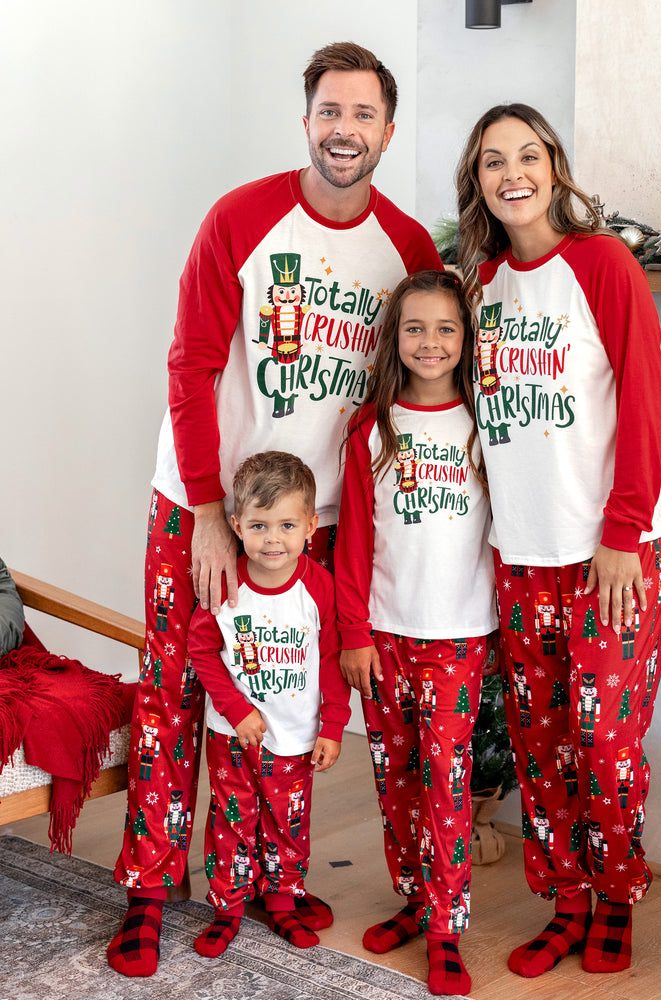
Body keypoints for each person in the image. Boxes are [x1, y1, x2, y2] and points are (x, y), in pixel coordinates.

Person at [106, 41, 442, 978]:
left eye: (364, 114)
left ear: (386, 129)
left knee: (284, 706)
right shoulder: (241, 218)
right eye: (329, 112)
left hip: (316, 526)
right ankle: (145, 889)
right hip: (206, 510)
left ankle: (264, 882)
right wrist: (208, 510)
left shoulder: (407, 248)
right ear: (307, 121)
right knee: (177, 695)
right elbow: (191, 366)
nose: (345, 131)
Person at [455, 104, 661, 977]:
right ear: (477, 182)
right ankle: (567, 900)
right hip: (523, 551)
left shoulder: (602, 263)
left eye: (527, 156)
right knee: (541, 738)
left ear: (554, 166)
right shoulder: (481, 285)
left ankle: (616, 894)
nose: (512, 174)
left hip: (613, 552)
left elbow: (647, 400)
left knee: (605, 744)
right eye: (491, 162)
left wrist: (623, 531)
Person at [335, 270, 498, 996]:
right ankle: (413, 896)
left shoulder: (485, 425)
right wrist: (354, 633)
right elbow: (353, 545)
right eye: (415, 329)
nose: (430, 343)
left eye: (445, 329)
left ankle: (445, 924)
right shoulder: (372, 428)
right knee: (394, 781)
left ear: (465, 339)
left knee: (445, 782)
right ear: (393, 339)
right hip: (385, 633)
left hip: (457, 633)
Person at [187, 452, 350, 957]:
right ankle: (228, 906)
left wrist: (333, 726)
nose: (272, 539)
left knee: (287, 819)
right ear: (236, 525)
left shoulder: (317, 588)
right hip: (234, 735)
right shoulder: (228, 584)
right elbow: (202, 649)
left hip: (296, 735)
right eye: (258, 525)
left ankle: (281, 901)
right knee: (233, 818)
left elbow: (331, 659)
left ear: (310, 526)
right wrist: (237, 710)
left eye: (285, 525)